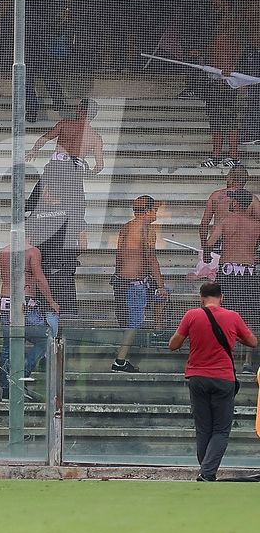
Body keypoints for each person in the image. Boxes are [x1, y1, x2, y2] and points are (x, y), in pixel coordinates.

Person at [168, 282, 257, 481]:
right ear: (221, 297)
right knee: (221, 429)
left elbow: (173, 344)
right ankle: (207, 472)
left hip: (197, 377)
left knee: (203, 428)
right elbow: (252, 341)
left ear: (201, 298)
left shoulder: (191, 315)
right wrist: (233, 336)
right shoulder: (232, 317)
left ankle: (206, 470)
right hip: (223, 378)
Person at [0, 238, 57, 401]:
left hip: (5, 304)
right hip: (25, 304)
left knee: (8, 345)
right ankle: (22, 373)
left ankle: (7, 391)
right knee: (47, 338)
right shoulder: (32, 251)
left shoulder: (3, 252)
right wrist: (51, 301)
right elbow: (39, 278)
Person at [111, 196, 169, 373]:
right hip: (134, 285)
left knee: (133, 319)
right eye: (155, 211)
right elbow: (151, 258)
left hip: (122, 281)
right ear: (148, 211)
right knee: (134, 322)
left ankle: (157, 334)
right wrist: (160, 285)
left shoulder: (126, 227)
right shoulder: (147, 229)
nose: (156, 215)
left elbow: (119, 256)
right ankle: (119, 362)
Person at [207, 189, 260, 371]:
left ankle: (223, 358)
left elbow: (210, 243)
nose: (229, 202)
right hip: (248, 273)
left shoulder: (225, 221)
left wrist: (208, 255)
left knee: (222, 315)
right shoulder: (256, 225)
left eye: (232, 200)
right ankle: (247, 361)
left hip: (228, 274)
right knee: (249, 316)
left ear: (236, 203)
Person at [25, 98, 104, 215]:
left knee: (40, 195)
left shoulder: (65, 124)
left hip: (57, 166)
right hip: (75, 170)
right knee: (75, 203)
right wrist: (90, 173)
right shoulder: (95, 137)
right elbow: (100, 166)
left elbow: (44, 138)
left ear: (80, 111)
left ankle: (30, 213)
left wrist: (34, 150)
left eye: (79, 108)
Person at [27, 161, 85, 318]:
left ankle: (47, 340)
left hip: (42, 271)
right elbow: (83, 245)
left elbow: (28, 246)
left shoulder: (36, 214)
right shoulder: (73, 211)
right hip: (64, 270)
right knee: (66, 315)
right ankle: (63, 340)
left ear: (47, 192)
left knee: (43, 313)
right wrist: (67, 255)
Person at [202, 17, 245, 168]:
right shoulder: (214, 40)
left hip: (229, 85)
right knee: (215, 120)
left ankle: (233, 156)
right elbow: (210, 60)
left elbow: (237, 59)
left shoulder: (235, 42)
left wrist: (230, 70)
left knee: (230, 119)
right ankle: (216, 155)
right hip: (214, 84)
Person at [200, 165, 260, 257]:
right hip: (241, 244)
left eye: (227, 177)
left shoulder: (216, 196)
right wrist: (255, 247)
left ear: (231, 178)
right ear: (244, 181)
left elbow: (204, 224)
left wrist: (205, 247)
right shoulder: (252, 199)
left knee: (216, 270)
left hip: (216, 242)